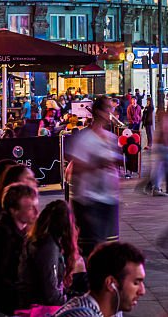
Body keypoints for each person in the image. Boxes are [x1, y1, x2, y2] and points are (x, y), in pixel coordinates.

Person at [66, 96, 123, 256]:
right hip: (89, 201)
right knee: (93, 249)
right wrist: (98, 164)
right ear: (98, 112)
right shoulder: (84, 139)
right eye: (108, 109)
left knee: (109, 246)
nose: (111, 113)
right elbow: (76, 167)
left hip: (109, 198)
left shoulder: (111, 138)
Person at [0, 183, 40, 315]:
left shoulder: (14, 230)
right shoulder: (2, 236)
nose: (36, 212)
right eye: (30, 208)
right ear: (13, 210)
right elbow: (1, 279)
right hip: (13, 300)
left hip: (16, 295)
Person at [18, 199, 84, 310]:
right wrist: (78, 302)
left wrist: (78, 297)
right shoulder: (48, 248)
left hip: (35, 302)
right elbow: (51, 296)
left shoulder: (41, 241)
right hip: (38, 308)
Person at [54, 241, 146, 317]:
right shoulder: (82, 315)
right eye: (136, 283)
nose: (142, 291)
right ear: (111, 283)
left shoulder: (114, 310)